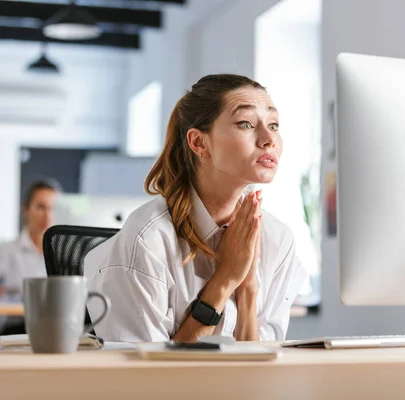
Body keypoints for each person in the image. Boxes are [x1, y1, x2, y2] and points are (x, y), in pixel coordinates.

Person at [84, 74, 308, 342]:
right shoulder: (147, 241)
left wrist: (248, 290)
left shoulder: (277, 239)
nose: (268, 139)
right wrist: (225, 280)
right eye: (246, 123)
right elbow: (146, 374)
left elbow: (259, 366)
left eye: (273, 125)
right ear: (199, 143)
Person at [0, 179, 60, 336]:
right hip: (17, 327)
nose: (47, 215)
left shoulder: (64, 254)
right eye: (40, 207)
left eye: (53, 208)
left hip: (56, 327)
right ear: (26, 210)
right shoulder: (8, 250)